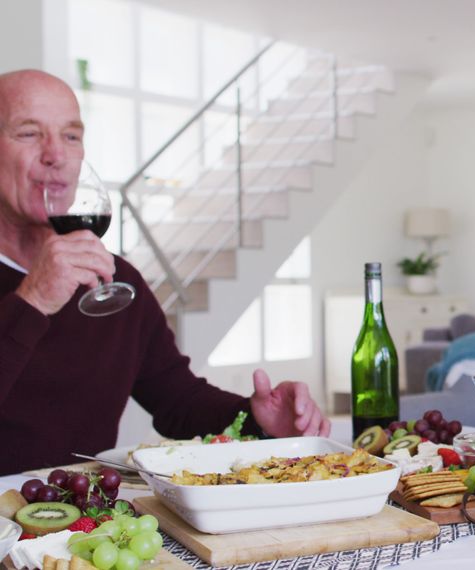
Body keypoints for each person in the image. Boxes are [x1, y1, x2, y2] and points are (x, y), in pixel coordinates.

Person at [0, 69, 330, 475]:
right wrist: (32, 301)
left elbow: (177, 399)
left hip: (80, 519)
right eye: (29, 133)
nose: (56, 154)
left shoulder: (116, 279)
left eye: (71, 136)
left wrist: (255, 417)